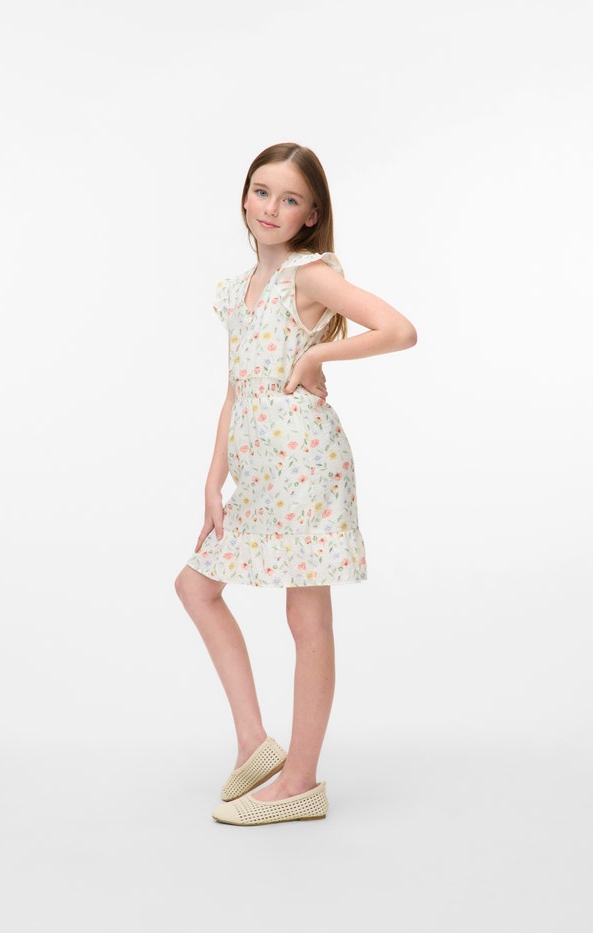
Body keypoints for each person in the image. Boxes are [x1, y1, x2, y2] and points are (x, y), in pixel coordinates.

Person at [174, 142, 417, 826]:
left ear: (311, 215)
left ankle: (301, 782)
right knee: (196, 586)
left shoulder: (308, 276)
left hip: (305, 463)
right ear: (244, 197)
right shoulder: (236, 292)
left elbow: (399, 329)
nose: (270, 208)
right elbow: (236, 388)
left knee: (306, 619)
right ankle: (255, 743)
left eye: (289, 199)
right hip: (257, 471)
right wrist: (213, 479)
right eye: (261, 191)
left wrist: (318, 353)